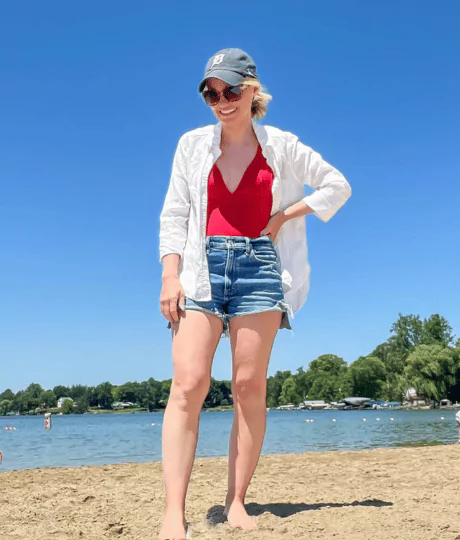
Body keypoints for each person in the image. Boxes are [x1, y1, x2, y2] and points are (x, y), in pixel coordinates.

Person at [158, 48, 352, 539]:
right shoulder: (191, 145)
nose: (221, 101)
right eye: (210, 93)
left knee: (248, 388)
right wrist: (169, 276)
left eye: (230, 90)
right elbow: (174, 214)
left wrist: (286, 215)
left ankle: (236, 501)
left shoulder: (282, 145)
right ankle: (172, 513)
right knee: (188, 384)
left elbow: (337, 184)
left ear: (252, 90)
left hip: (260, 269)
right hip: (201, 269)